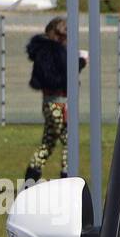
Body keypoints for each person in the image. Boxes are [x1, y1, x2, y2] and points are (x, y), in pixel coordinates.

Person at [23, 17, 86, 182]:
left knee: (49, 143)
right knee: (68, 142)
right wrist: (80, 62)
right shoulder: (52, 52)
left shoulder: (44, 51)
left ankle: (31, 179)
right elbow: (63, 75)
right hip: (59, 103)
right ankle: (66, 179)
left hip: (52, 103)